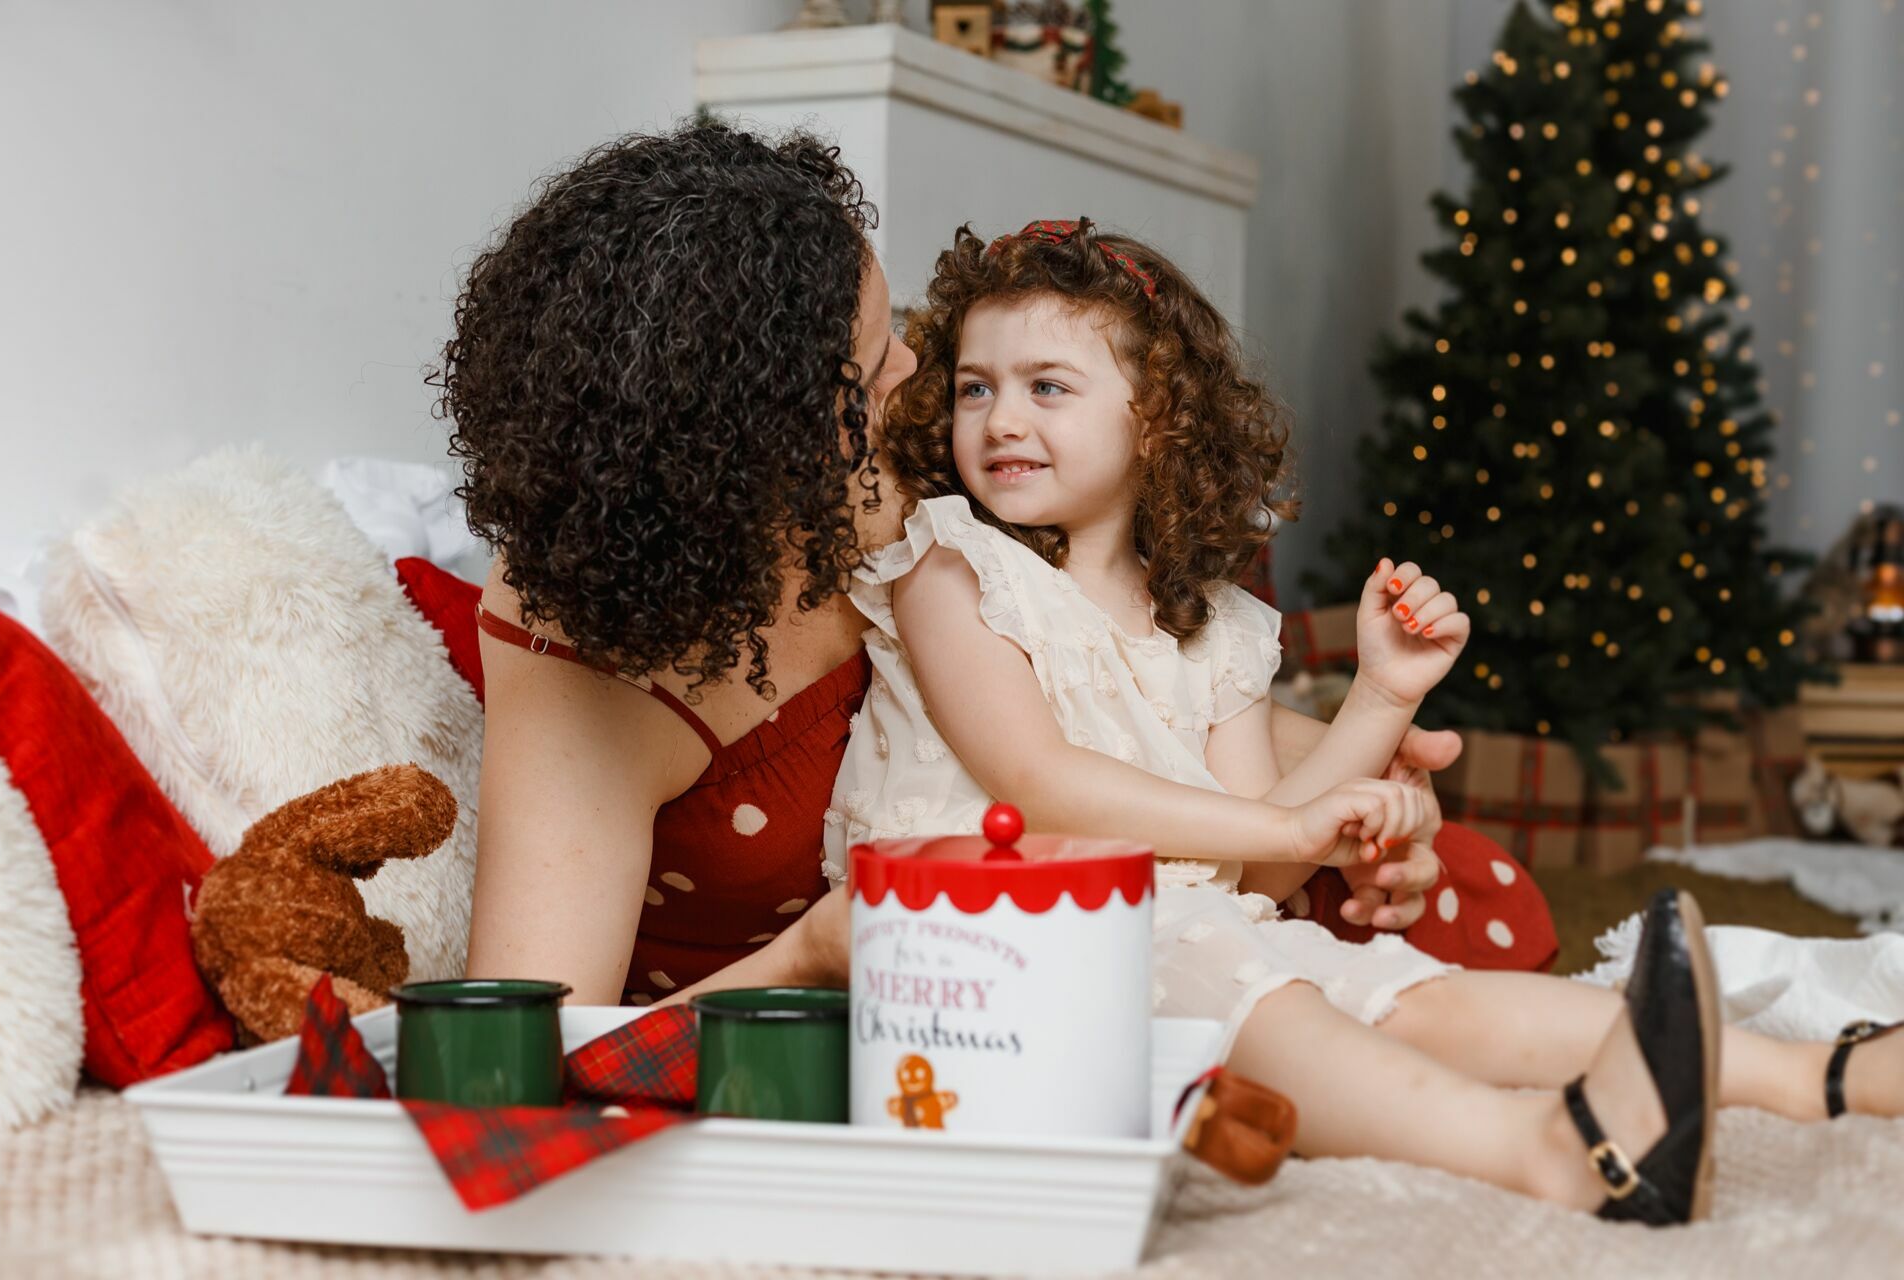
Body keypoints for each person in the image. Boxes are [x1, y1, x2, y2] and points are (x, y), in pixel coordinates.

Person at [781, 217, 1904, 1223]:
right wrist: (1288, 835)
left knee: (1403, 995)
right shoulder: (950, 562)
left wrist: (1381, 695)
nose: (1000, 418)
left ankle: (1811, 1076)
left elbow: (1252, 865)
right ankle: (1549, 1154)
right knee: (1274, 1006)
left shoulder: (1213, 628)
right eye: (975, 386)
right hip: (981, 931)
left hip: (1160, 915)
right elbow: (1040, 777)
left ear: (1160, 419)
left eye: (1047, 386)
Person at [445, 122, 1517, 1011]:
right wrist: (813, 956)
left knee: (1475, 893)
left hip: (1154, 862)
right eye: (876, 366)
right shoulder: (577, 636)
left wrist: (1363, 754)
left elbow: (1103, 678)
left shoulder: (902, 476)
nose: (917, 368)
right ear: (761, 445)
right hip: (899, 998)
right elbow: (518, 1069)